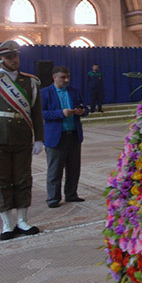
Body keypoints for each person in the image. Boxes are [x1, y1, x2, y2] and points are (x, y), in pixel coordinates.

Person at [0, 40, 45, 241]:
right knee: (0, 180)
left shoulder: (30, 81)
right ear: (0, 59)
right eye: (8, 57)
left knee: (23, 179)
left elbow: (36, 112)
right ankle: (7, 224)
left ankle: (23, 220)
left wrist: (39, 138)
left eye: (15, 56)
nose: (14, 60)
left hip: (22, 137)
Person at [42, 66, 88, 208]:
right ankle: (53, 198)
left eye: (68, 76)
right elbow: (41, 113)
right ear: (54, 77)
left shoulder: (74, 91)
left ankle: (71, 194)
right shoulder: (45, 93)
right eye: (63, 77)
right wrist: (60, 113)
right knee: (55, 170)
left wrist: (82, 111)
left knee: (74, 168)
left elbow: (85, 109)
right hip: (56, 137)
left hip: (73, 136)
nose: (66, 80)